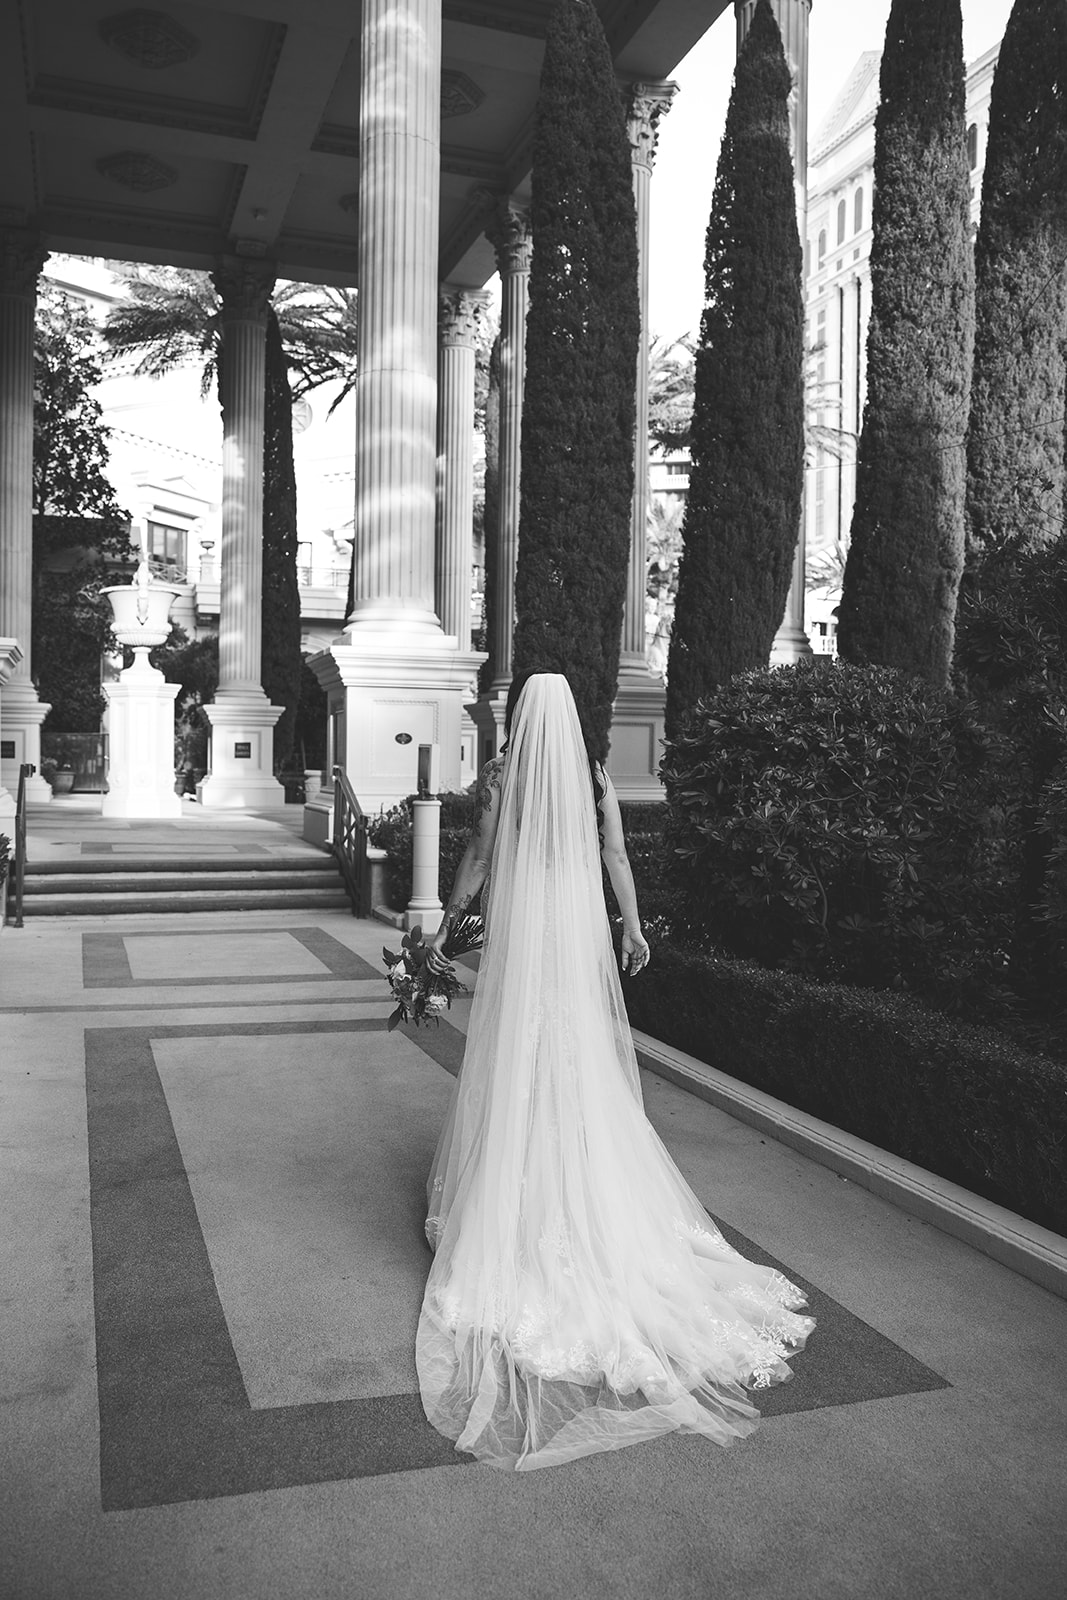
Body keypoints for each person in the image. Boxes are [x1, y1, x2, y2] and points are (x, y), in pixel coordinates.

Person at [417, 672, 812, 1470]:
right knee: (577, 1064)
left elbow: (478, 859)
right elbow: (615, 855)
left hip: (525, 939)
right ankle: (583, 1199)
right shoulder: (592, 779)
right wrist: (632, 929)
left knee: (518, 1062)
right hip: (574, 935)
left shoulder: (503, 778)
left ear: (522, 721)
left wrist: (445, 927)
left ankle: (520, 1204)